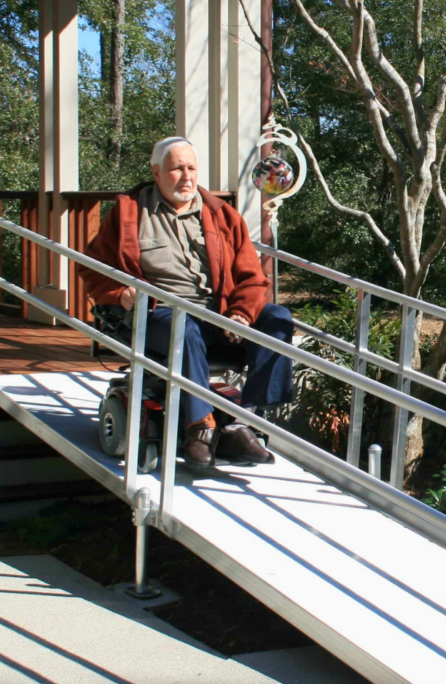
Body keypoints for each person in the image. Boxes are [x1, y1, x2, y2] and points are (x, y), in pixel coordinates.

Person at [80, 136, 292, 470]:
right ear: (156, 171)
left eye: (191, 167)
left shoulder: (222, 215)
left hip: (218, 313)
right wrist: (119, 293)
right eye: (176, 168)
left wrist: (239, 314)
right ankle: (200, 430)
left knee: (277, 317)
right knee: (185, 325)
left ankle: (245, 421)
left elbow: (253, 278)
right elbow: (91, 267)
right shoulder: (129, 213)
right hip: (158, 314)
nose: (186, 176)